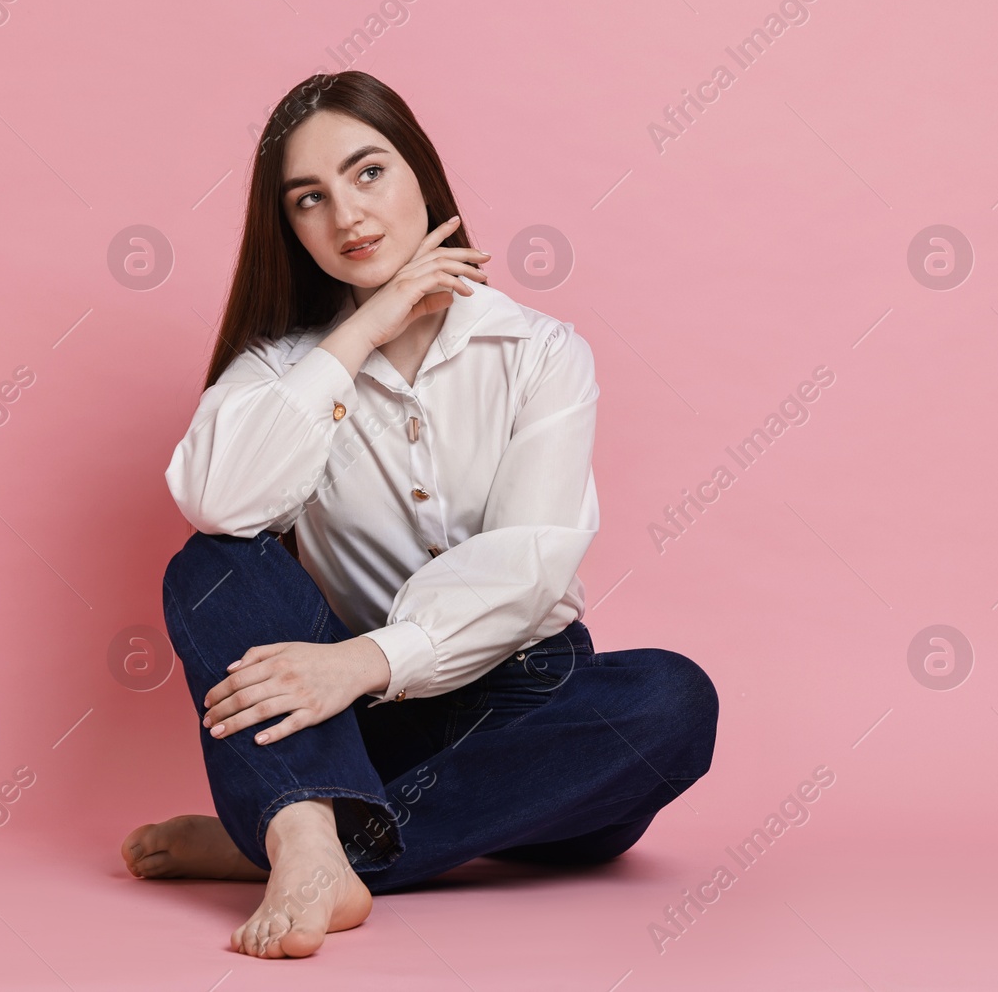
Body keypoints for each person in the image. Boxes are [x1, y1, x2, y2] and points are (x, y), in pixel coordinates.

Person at [118, 70, 719, 959]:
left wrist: (360, 663)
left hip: (528, 711)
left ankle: (284, 831)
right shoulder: (286, 368)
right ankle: (308, 835)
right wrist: (362, 331)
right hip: (355, 729)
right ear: (289, 228)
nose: (347, 215)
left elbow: (529, 565)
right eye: (309, 199)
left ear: (422, 176)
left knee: (673, 700)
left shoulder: (541, 352)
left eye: (368, 173)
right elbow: (216, 502)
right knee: (210, 570)